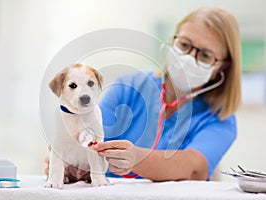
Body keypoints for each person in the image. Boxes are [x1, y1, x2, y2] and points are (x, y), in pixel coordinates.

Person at [45, 6, 241, 182]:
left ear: (222, 67)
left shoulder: (221, 118)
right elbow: (90, 133)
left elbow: (194, 168)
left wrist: (136, 159)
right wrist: (70, 156)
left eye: (205, 55)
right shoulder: (128, 87)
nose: (189, 58)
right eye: (184, 45)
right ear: (173, 41)